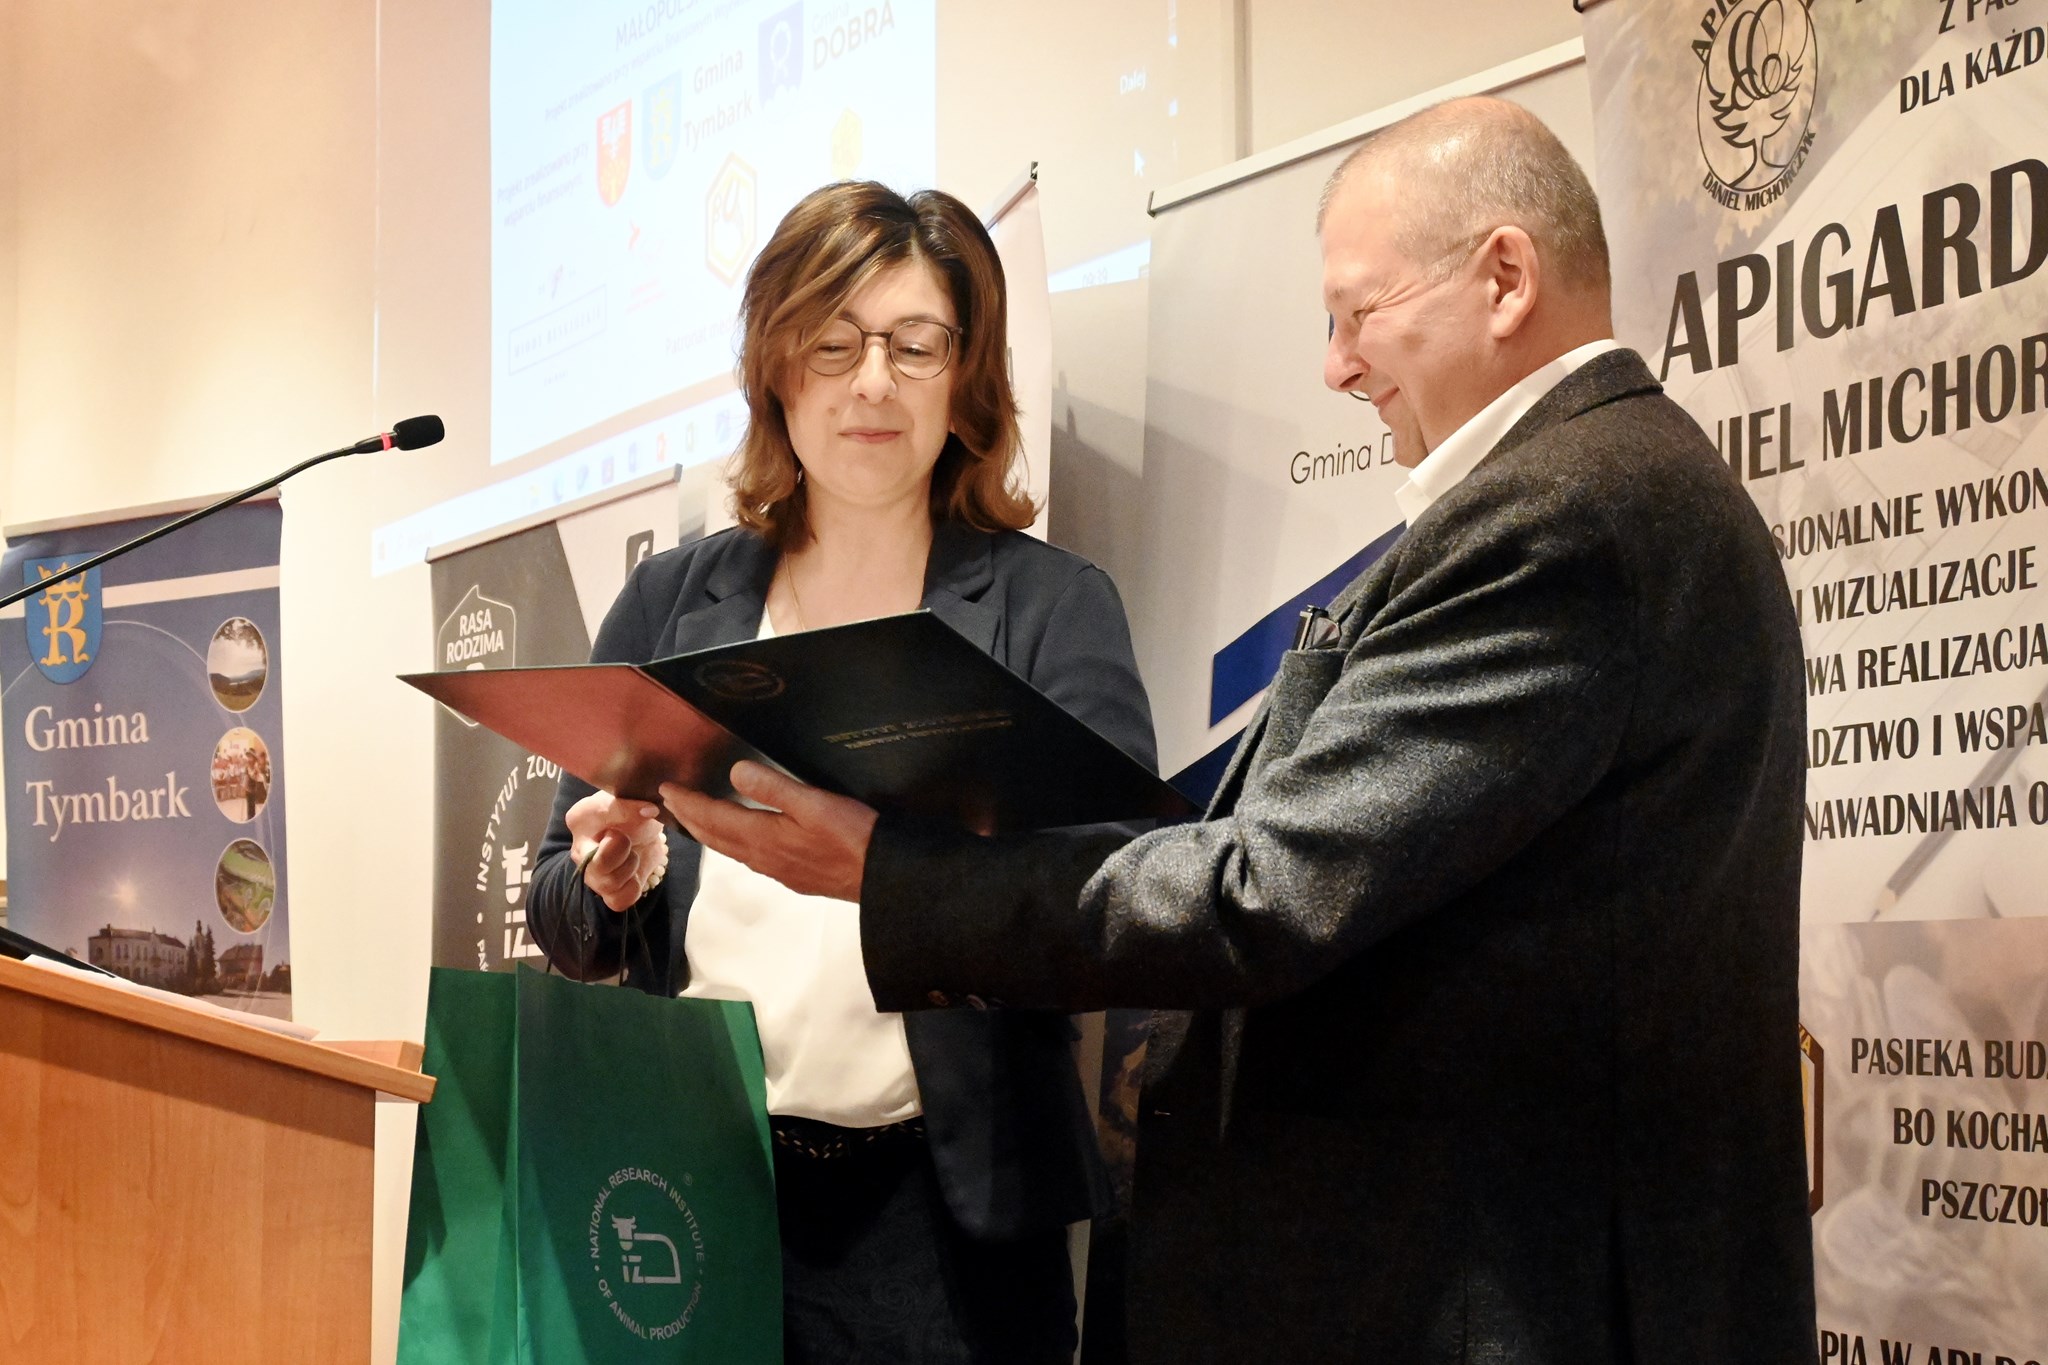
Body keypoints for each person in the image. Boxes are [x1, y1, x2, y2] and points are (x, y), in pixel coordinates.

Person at [666, 98, 1820, 1364]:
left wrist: (887, 877)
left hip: (1506, 1292)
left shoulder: (1565, 519)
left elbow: (1271, 891)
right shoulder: (1583, 496)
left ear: (1503, 279)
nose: (1336, 366)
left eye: (1355, 312)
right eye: (829, 347)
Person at [524, 181, 1158, 1364]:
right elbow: (560, 909)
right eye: (834, 343)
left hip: (945, 1219)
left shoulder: (1047, 609)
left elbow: (1119, 899)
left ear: (964, 380)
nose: (873, 382)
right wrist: (607, 882)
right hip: (692, 1187)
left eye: (915, 345)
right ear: (777, 368)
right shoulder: (672, 602)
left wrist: (902, 870)